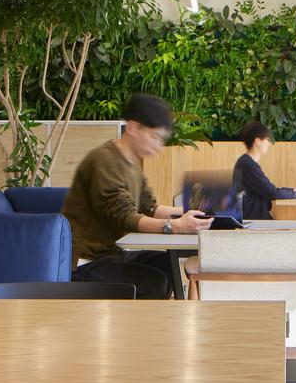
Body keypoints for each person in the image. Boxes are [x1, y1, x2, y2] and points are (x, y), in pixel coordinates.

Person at [62, 93, 209, 298]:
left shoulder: (132, 164)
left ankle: (155, 316)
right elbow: (126, 217)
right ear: (132, 128)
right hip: (84, 263)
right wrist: (174, 226)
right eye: (154, 137)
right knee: (153, 281)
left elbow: (150, 208)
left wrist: (194, 213)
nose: (158, 146)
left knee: (168, 264)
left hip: (112, 254)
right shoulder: (104, 160)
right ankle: (140, 319)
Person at [230, 120, 296, 221]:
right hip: (253, 220)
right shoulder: (248, 165)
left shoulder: (246, 162)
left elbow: (268, 190)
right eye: (267, 139)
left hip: (255, 216)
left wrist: (293, 191)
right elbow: (271, 192)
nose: (269, 143)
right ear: (257, 141)